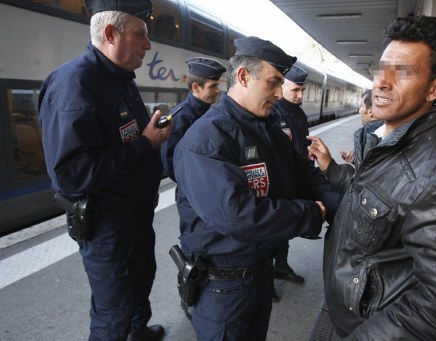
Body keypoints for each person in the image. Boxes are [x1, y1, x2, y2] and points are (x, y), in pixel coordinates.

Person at [308, 15, 436, 340]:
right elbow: (378, 198)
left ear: (435, 87)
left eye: (403, 72)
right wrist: (333, 170)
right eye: (383, 68)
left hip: (368, 328)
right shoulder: (379, 137)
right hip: (342, 311)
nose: (381, 82)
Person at [173, 36, 342, 341]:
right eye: (274, 82)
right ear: (242, 77)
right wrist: (310, 214)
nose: (280, 93)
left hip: (259, 277)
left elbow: (306, 177)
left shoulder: (271, 132)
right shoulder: (207, 139)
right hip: (222, 289)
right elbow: (237, 214)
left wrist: (345, 211)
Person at [38, 1, 172, 340]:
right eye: (140, 35)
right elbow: (71, 175)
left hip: (134, 215)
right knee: (113, 312)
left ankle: (138, 332)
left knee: (141, 280)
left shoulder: (120, 80)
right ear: (110, 34)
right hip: (107, 228)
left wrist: (147, 184)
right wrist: (146, 144)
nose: (148, 44)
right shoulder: (74, 85)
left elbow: (125, 140)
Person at [270, 64, 310, 286]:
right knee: (272, 230)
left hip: (294, 178)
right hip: (276, 181)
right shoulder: (272, 112)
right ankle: (267, 278)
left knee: (285, 228)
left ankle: (281, 267)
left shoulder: (299, 113)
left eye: (302, 90)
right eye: (295, 90)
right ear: (282, 85)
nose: (300, 95)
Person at [163, 57, 226, 180]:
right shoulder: (180, 118)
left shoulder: (210, 112)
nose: (218, 91)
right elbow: (169, 163)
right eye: (212, 86)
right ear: (196, 87)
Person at [339, 88, 375, 164]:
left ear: (370, 111)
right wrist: (357, 161)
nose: (359, 111)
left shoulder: (371, 138)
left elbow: (365, 175)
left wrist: (329, 165)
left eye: (362, 106)